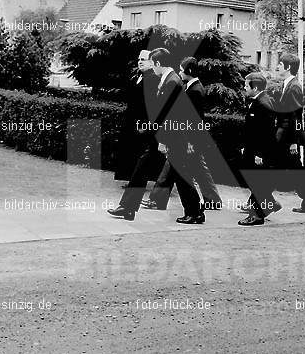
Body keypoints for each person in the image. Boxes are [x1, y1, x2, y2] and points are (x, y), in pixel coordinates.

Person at [142, 57, 223, 212]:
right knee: (199, 168)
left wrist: (191, 141)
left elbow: (194, 119)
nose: (179, 72)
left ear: (189, 71)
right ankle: (213, 200)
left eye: (181, 69)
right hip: (190, 137)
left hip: (188, 137)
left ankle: (157, 199)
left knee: (172, 166)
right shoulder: (193, 87)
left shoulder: (195, 91)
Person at [274, 54, 305, 213]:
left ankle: (261, 203)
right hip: (285, 137)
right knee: (296, 171)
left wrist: (293, 141)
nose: (277, 66)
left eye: (280, 64)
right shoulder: (288, 85)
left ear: (287, 67)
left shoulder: (294, 87)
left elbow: (295, 116)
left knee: (294, 171)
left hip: (287, 138)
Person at [113, 50, 161, 183]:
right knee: (130, 150)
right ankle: (130, 178)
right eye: (139, 59)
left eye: (143, 59)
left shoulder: (153, 78)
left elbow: (151, 104)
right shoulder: (137, 77)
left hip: (141, 122)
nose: (140, 61)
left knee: (140, 152)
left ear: (151, 63)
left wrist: (144, 123)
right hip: (131, 119)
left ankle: (138, 181)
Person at [238, 73, 278, 226]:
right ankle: (269, 205)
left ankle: (256, 216)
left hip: (259, 152)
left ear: (255, 87)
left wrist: (259, 154)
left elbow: (266, 132)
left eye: (246, 85)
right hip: (253, 150)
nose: (244, 87)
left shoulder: (264, 103)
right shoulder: (258, 101)